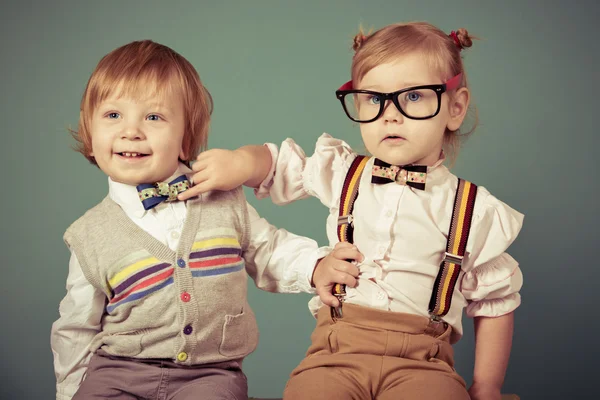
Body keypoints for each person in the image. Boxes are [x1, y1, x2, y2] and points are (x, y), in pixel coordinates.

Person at [180, 22, 524, 400]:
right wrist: (241, 162)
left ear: (455, 108)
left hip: (424, 362)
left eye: (413, 97)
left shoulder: (473, 210)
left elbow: (494, 302)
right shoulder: (345, 173)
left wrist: (487, 386)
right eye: (374, 99)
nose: (390, 115)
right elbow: (277, 165)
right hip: (335, 351)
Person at [50, 39, 361, 400]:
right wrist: (70, 391)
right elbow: (76, 326)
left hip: (210, 374)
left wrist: (316, 265)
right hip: (118, 371)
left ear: (185, 139)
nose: (130, 131)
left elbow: (267, 249)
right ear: (90, 135)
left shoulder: (223, 197)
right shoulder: (90, 234)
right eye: (113, 115)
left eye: (153, 117)